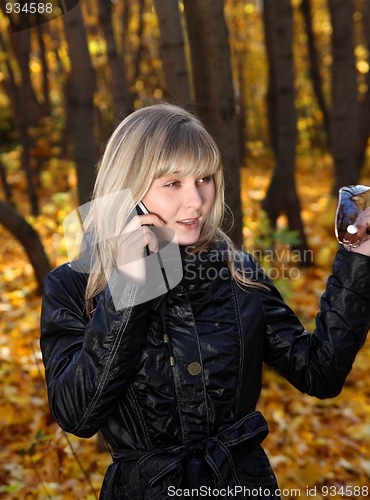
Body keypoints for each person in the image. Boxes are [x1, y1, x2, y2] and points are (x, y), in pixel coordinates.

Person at [40, 104, 370, 500]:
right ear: (129, 188)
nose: (196, 200)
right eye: (173, 183)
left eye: (205, 179)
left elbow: (320, 372)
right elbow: (78, 414)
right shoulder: (74, 286)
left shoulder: (236, 272)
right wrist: (129, 286)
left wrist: (358, 257)